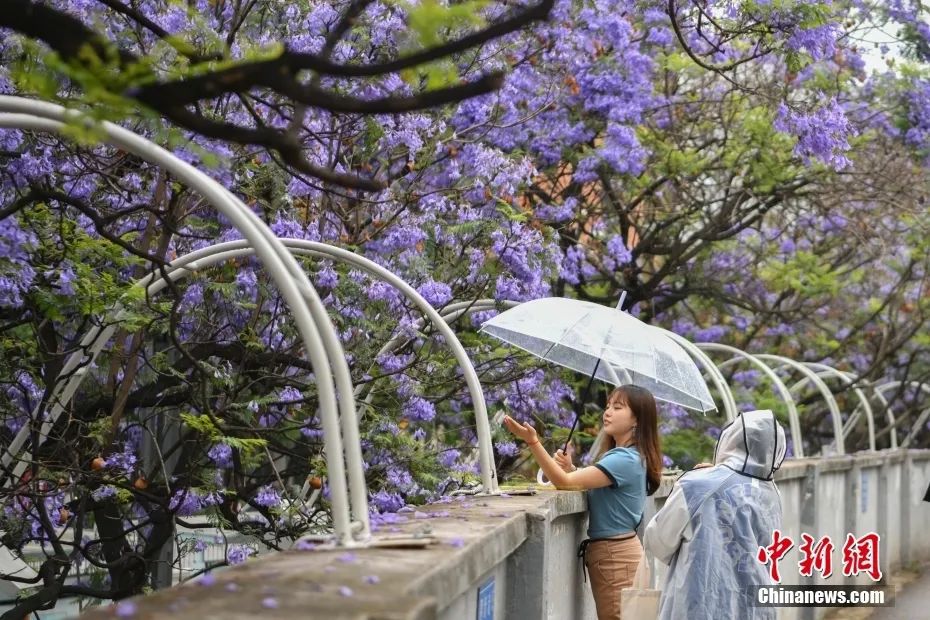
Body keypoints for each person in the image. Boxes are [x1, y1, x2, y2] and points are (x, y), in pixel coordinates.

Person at [503, 385, 663, 620]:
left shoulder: (624, 459)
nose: (607, 412)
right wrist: (572, 469)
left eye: (617, 407)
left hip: (616, 558)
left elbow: (564, 482)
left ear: (636, 420)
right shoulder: (629, 456)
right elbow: (587, 481)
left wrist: (533, 442)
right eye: (608, 406)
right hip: (619, 555)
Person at [643, 409, 787, 620]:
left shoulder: (696, 484)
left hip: (699, 608)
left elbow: (658, 542)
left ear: (731, 438)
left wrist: (693, 478)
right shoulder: (771, 494)